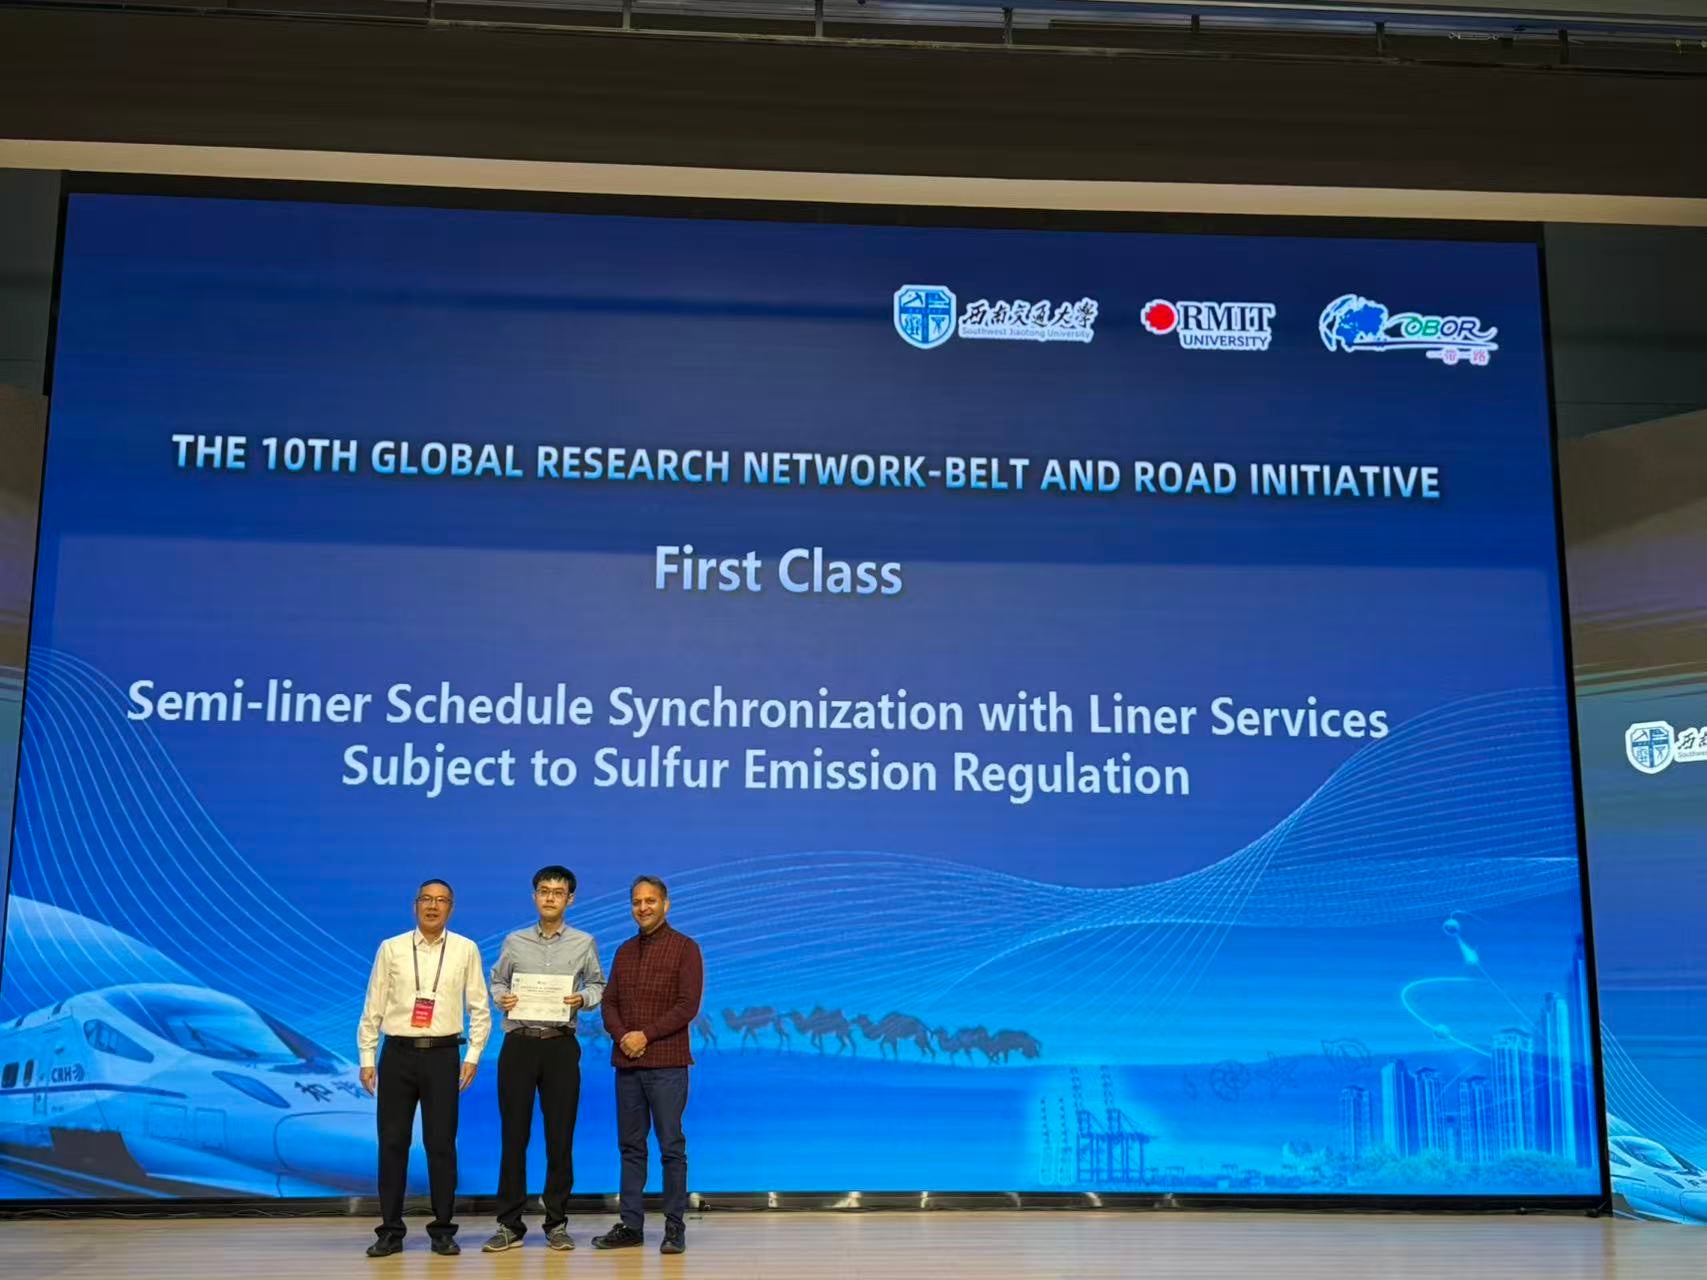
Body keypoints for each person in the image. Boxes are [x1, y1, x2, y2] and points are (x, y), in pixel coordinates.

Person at [358, 878, 492, 1257]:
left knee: (440, 1145)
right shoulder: (392, 948)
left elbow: (480, 1009)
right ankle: (389, 1232)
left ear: (451, 908)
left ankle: (443, 1231)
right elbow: (373, 1006)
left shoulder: (466, 949)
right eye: (426, 900)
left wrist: (473, 1056)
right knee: (393, 1144)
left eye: (442, 901)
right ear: (415, 905)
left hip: (443, 1056)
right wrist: (368, 1058)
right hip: (397, 1053)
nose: (433, 906)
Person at [481, 865, 607, 1253]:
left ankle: (556, 1223)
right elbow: (497, 979)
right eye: (543, 890)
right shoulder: (514, 941)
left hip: (560, 1045)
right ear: (534, 896)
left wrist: (582, 999)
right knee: (513, 1137)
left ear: (570, 899)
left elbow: (598, 984)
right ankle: (509, 1224)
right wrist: (501, 996)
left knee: (559, 1136)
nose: (550, 897)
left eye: (558, 891)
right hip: (519, 1044)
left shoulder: (584, 942)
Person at [591, 876, 704, 1256]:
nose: (643, 907)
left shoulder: (686, 948)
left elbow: (688, 1005)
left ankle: (674, 1228)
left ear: (666, 904)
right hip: (627, 1065)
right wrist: (624, 1036)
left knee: (671, 1147)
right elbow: (609, 1003)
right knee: (630, 1147)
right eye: (637, 901)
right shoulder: (624, 951)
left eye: (650, 900)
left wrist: (645, 1036)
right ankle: (631, 1225)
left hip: (668, 1065)